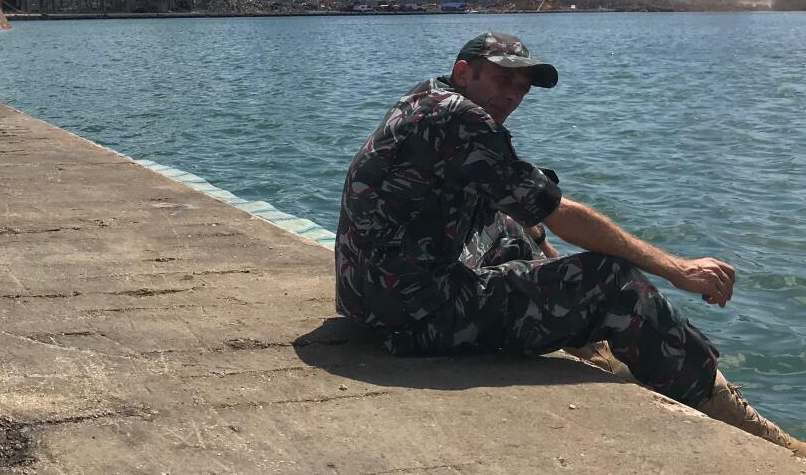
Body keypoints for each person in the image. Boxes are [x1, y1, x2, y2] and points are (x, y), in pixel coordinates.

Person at [335, 30, 805, 457]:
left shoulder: (425, 99)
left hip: (369, 298)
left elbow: (516, 202)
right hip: (414, 317)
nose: (513, 96)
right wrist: (676, 269)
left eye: (522, 88)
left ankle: (582, 336)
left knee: (508, 223)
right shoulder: (462, 119)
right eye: (503, 79)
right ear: (464, 72)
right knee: (614, 282)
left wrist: (548, 258)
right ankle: (735, 414)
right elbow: (557, 211)